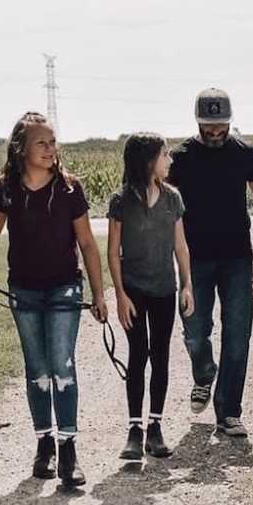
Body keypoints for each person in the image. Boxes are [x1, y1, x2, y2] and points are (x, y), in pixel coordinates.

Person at [0, 112, 108, 488]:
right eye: (41, 143)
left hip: (64, 289)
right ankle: (44, 445)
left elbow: (88, 244)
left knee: (62, 367)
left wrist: (99, 293)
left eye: (52, 142)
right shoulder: (7, 187)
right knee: (37, 369)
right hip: (24, 290)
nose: (50, 149)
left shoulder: (69, 189)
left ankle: (69, 451)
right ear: (21, 149)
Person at [167, 87, 253, 437]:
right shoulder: (180, 157)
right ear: (198, 121)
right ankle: (204, 372)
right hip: (193, 258)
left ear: (229, 121)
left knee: (238, 333)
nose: (214, 133)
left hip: (237, 257)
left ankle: (229, 412)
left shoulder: (245, 153)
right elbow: (163, 203)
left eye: (220, 126)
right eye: (208, 127)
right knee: (195, 331)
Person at [107, 132, 195, 459]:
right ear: (147, 161)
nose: (170, 160)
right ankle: (134, 429)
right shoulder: (120, 202)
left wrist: (187, 285)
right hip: (133, 291)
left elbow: (181, 246)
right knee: (137, 354)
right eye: (165, 155)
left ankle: (155, 428)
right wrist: (119, 295)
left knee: (160, 356)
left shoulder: (173, 198)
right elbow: (113, 252)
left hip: (163, 290)